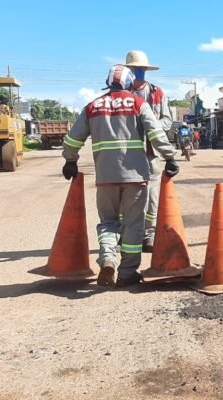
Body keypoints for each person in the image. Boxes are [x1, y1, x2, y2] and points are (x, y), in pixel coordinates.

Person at [61, 65, 178, 287]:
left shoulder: (92, 107)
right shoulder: (138, 104)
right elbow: (157, 134)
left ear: (108, 83)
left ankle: (107, 258)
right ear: (128, 83)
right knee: (133, 225)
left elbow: (72, 139)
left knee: (108, 222)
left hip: (105, 177)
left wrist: (70, 160)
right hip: (135, 176)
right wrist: (170, 157)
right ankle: (126, 273)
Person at [125, 50, 173, 253]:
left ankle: (149, 236)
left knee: (152, 197)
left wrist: (149, 124)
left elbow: (167, 121)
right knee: (128, 197)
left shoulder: (157, 93)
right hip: (126, 155)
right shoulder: (121, 94)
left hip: (151, 152)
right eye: (135, 69)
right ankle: (125, 236)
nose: (139, 73)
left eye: (142, 69)